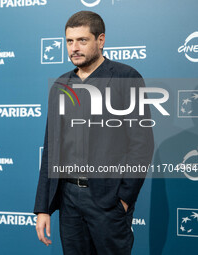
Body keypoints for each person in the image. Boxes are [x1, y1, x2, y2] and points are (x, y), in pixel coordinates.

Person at [34, 11, 154, 255]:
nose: (74, 48)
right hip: (68, 200)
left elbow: (141, 145)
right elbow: (51, 147)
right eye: (69, 41)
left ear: (101, 40)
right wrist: (43, 207)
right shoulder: (61, 85)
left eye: (82, 40)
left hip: (107, 201)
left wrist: (123, 199)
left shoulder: (126, 77)